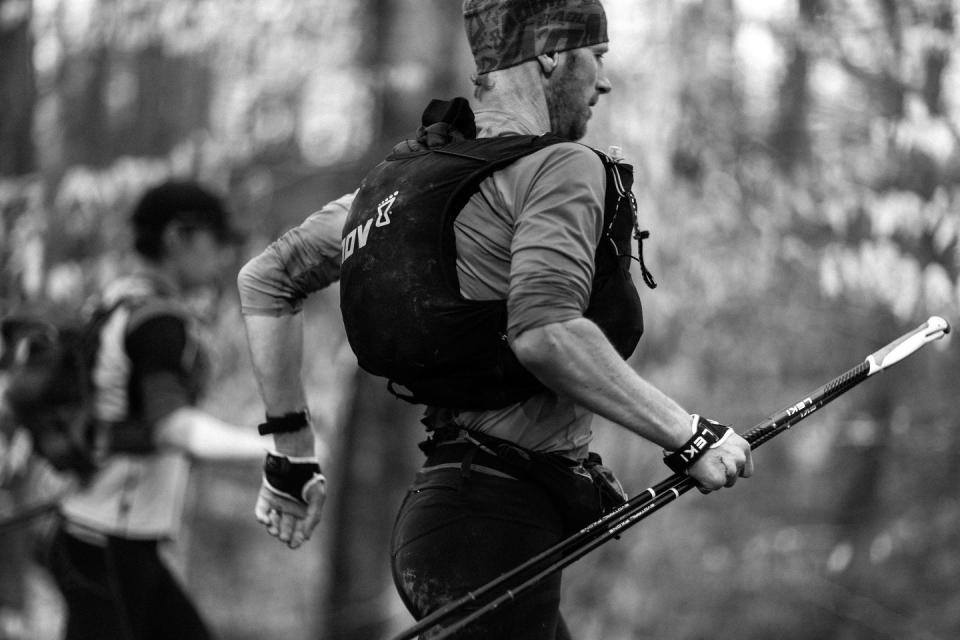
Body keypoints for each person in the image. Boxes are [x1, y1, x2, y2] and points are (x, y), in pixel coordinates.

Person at [237, 1, 754, 638]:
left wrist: (292, 455)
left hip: (458, 524)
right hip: (488, 530)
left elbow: (266, 279)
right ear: (550, 54)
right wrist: (688, 433)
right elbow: (545, 334)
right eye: (597, 56)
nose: (604, 81)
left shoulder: (402, 188)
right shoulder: (561, 166)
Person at [28, 180, 265, 640]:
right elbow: (173, 427)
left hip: (98, 538)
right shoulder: (158, 322)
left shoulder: (115, 300)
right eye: (218, 241)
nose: (223, 256)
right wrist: (272, 443)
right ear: (179, 237)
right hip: (106, 547)